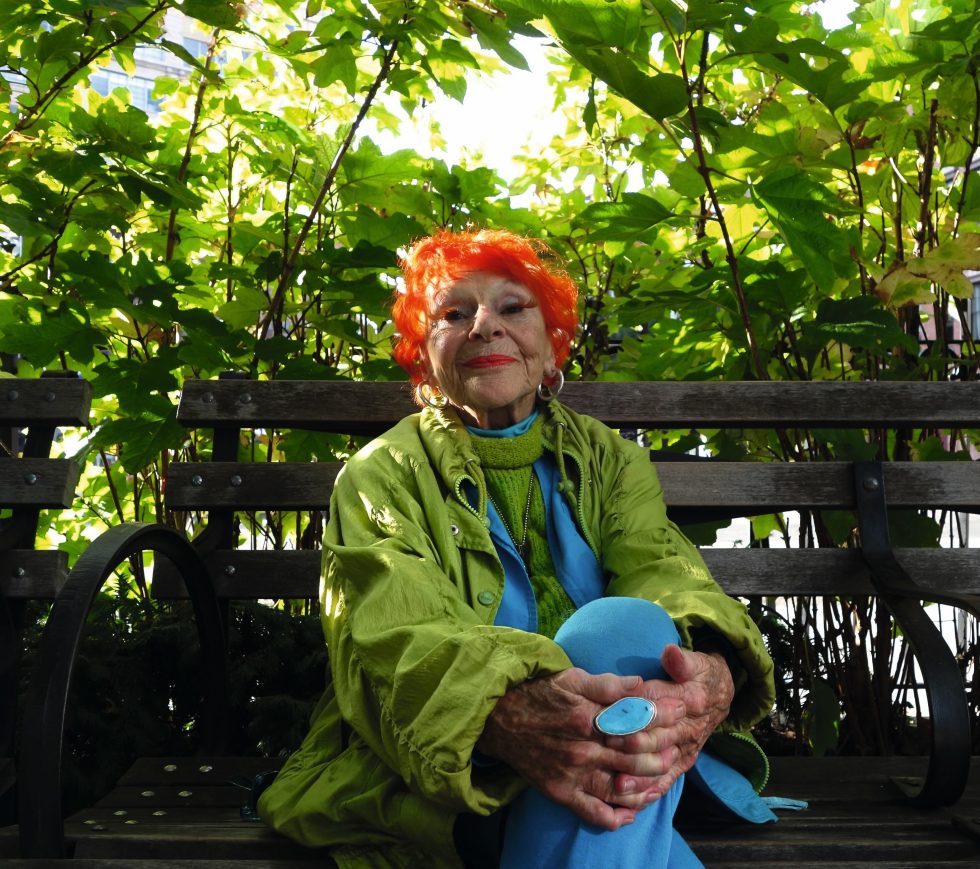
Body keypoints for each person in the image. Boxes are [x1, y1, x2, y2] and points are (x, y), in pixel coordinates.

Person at [258, 228, 778, 868]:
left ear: (552, 343)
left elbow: (664, 571)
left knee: (626, 624)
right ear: (424, 353)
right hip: (464, 764)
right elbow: (395, 634)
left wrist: (710, 671)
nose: (484, 327)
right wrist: (509, 711)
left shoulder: (612, 461)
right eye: (454, 313)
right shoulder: (382, 472)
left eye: (512, 307)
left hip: (634, 743)